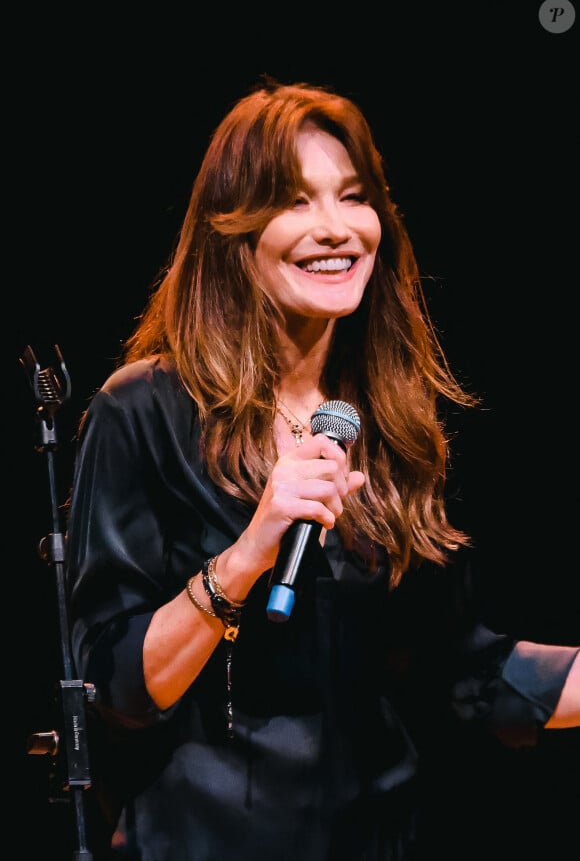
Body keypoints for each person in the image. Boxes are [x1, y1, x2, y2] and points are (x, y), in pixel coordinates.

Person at [64, 77, 579, 861]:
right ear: (232, 230)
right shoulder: (145, 411)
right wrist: (245, 556)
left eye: (354, 197)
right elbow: (119, 691)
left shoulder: (391, 418)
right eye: (296, 202)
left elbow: (464, 672)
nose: (337, 229)